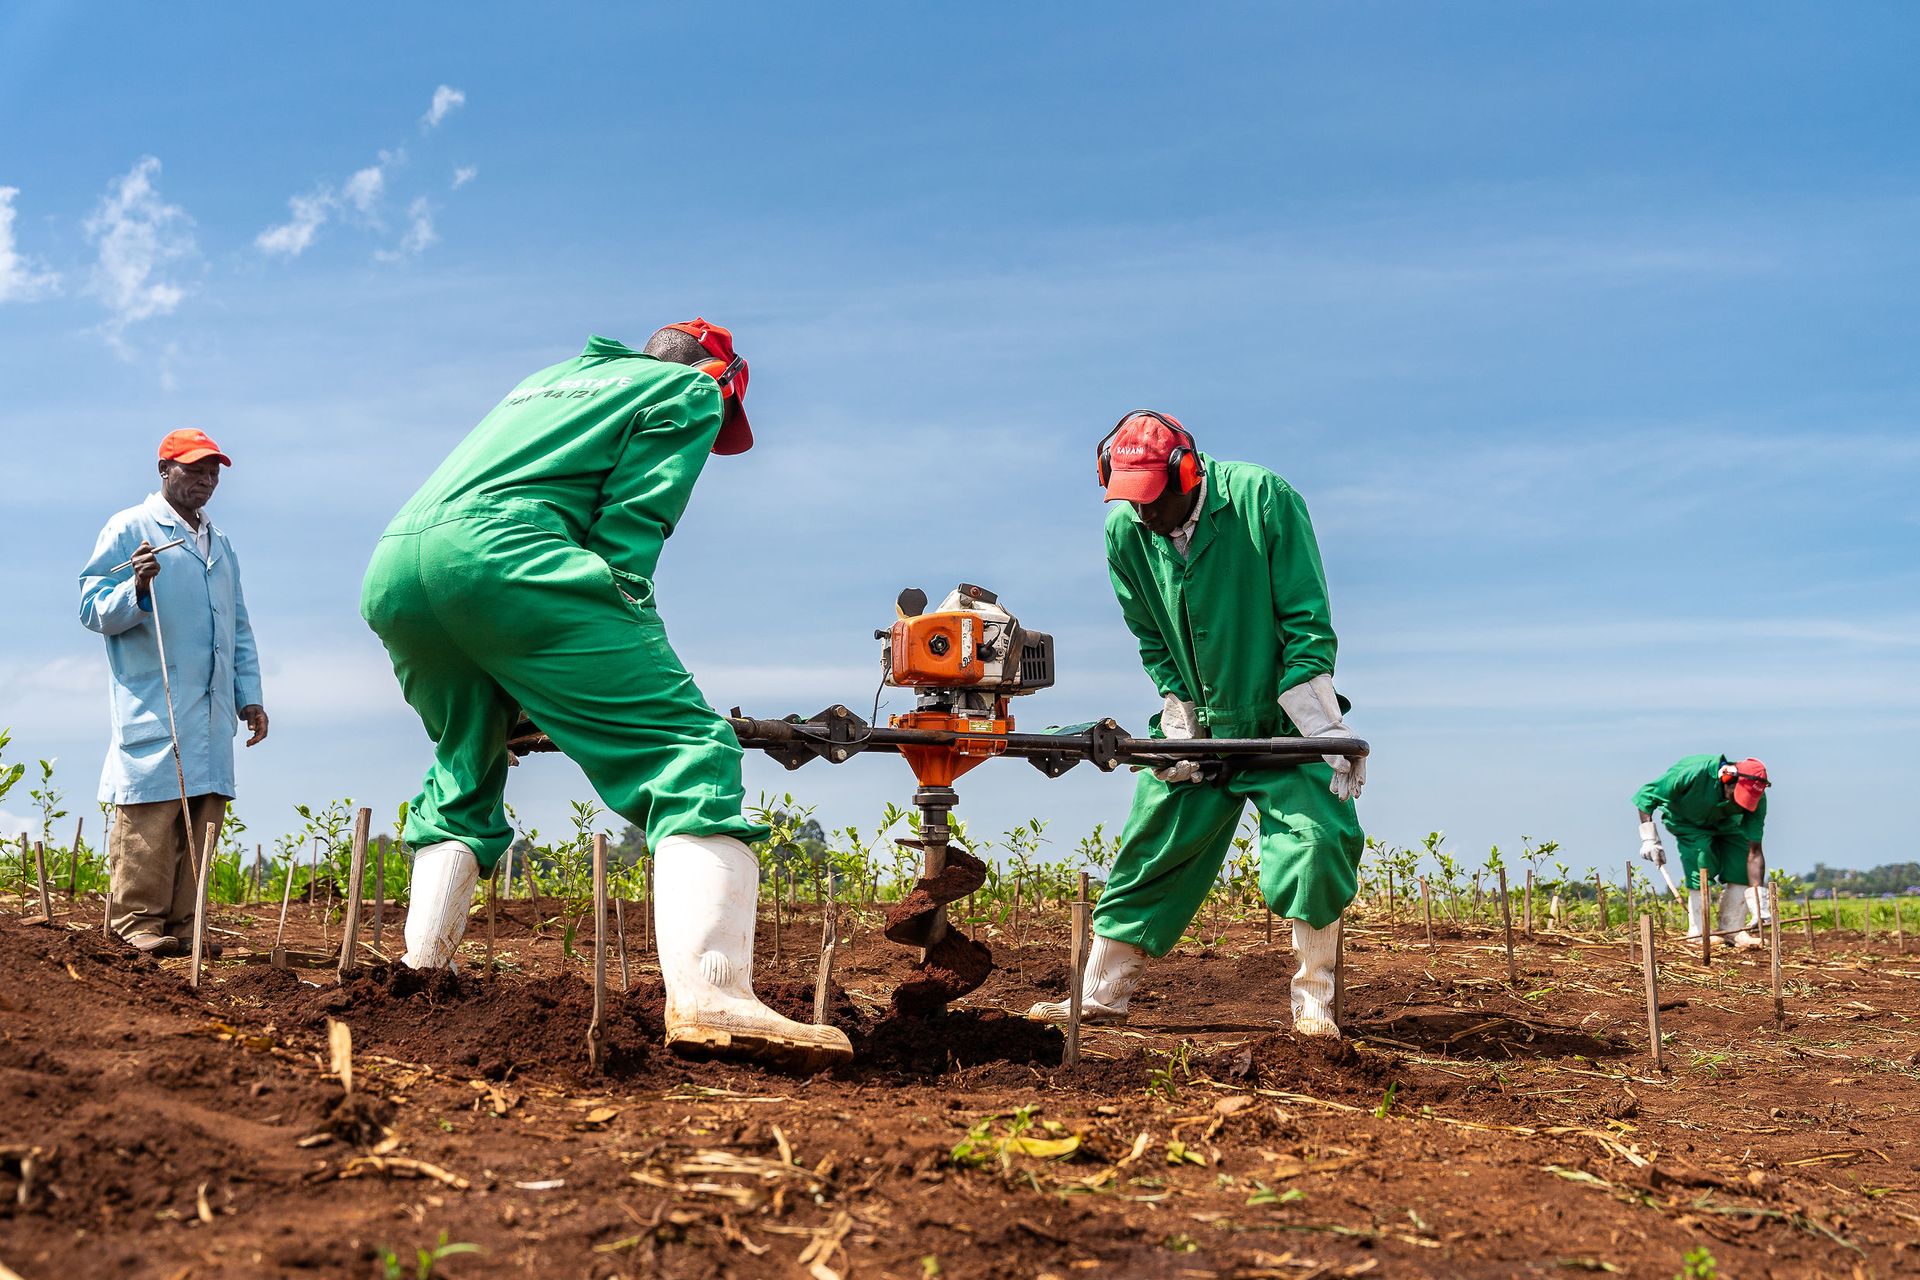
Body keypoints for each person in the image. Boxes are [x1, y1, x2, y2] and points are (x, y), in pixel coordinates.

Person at [361, 323, 851, 1070]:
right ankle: (713, 996)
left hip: (399, 572)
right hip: (508, 560)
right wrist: (619, 632)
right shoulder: (689, 389)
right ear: (720, 377)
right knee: (688, 750)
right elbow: (631, 530)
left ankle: (420, 974)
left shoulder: (549, 381)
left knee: (468, 757)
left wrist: (533, 686)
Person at [1029, 411, 1366, 1038]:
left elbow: (1306, 617)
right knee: (1151, 846)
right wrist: (1178, 713)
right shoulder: (1126, 532)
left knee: (1317, 843)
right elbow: (1150, 635)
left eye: (1154, 498)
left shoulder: (1263, 500)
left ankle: (1315, 1001)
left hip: (1280, 723)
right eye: (1131, 499)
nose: (1144, 513)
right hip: (1201, 728)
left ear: (1187, 473)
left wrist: (1318, 723)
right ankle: (1100, 995)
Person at [78, 429, 268, 956]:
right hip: (155, 700)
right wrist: (136, 587)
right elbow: (91, 608)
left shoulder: (220, 543)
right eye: (194, 469)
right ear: (164, 470)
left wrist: (249, 695)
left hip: (212, 707)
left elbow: (238, 626)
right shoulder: (129, 527)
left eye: (213, 471)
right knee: (152, 813)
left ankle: (185, 926)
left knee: (203, 814)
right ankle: (137, 922)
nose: (206, 480)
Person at [1636, 754, 1769, 948]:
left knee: (1740, 862)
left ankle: (1732, 930)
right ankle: (1698, 932)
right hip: (1687, 821)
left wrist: (1759, 899)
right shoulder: (1693, 773)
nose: (1739, 802)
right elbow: (1646, 795)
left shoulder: (1757, 799)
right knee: (1701, 859)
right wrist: (1649, 838)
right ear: (1727, 777)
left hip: (1727, 822)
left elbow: (1754, 851)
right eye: (1738, 795)